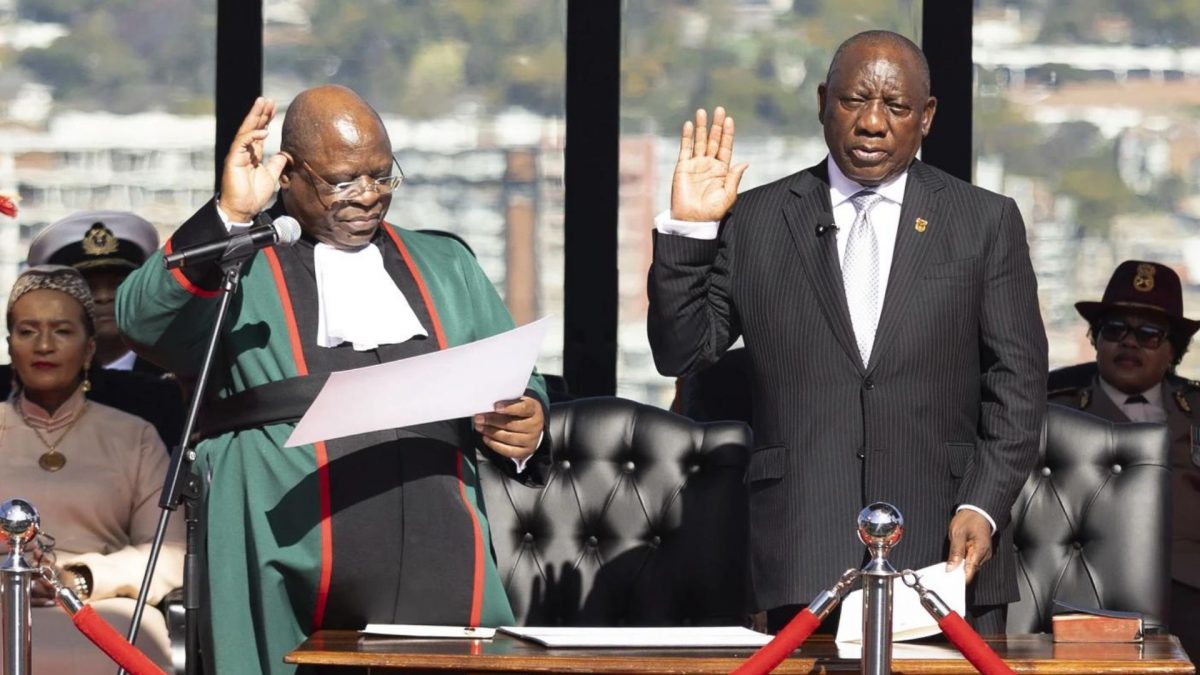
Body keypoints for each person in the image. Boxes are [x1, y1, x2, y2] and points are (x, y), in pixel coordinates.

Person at [116, 85, 549, 674]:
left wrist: (527, 418)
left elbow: (515, 376)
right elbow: (139, 319)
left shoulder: (446, 263)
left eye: (381, 176)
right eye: (343, 181)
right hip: (281, 543)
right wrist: (230, 215)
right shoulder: (237, 262)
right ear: (288, 173)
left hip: (436, 540)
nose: (368, 196)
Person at [647, 30, 1047, 633]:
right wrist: (691, 231)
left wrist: (983, 505)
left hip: (945, 549)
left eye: (897, 107)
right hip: (801, 547)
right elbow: (682, 349)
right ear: (821, 102)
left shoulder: (984, 222)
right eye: (854, 101)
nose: (873, 123)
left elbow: (1017, 381)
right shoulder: (756, 220)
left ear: (928, 117)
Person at [0, 265, 183, 672]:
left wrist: (82, 577)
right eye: (27, 331)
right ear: (10, 346)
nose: (43, 345)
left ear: (88, 350)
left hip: (105, 609)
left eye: (62, 331)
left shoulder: (134, 435)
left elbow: (168, 554)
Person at [1047, 260, 1200, 658]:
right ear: (1096, 339)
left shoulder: (1197, 409)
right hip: (1081, 590)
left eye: (1149, 334)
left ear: (1173, 351)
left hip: (1188, 591)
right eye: (1115, 330)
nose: (1129, 343)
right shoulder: (1052, 403)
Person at [0, 211, 186, 446]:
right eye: (88, 286)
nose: (104, 297)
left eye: (119, 285)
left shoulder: (174, 380)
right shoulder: (12, 385)